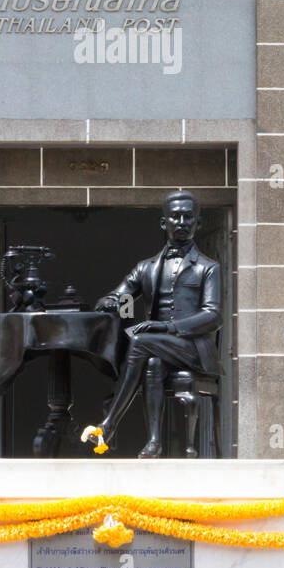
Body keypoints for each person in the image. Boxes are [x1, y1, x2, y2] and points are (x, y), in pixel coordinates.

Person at [87, 190, 221, 457]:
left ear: (198, 223)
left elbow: (213, 315)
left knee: (139, 341)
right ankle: (154, 443)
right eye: (175, 217)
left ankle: (109, 424)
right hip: (154, 350)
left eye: (188, 217)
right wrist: (112, 303)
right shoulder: (145, 267)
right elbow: (123, 297)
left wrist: (167, 327)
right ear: (164, 223)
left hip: (193, 350)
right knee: (152, 362)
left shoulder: (208, 267)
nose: (182, 222)